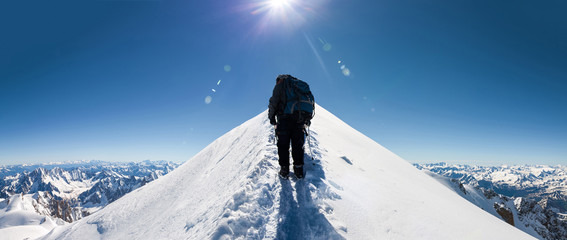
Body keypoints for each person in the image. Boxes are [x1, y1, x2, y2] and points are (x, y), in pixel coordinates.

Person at [268, 74, 308, 179]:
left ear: (279, 80)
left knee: (283, 146)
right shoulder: (297, 86)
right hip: (299, 120)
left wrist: (271, 117)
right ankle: (298, 170)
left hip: (284, 120)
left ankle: (284, 170)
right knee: (297, 145)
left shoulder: (280, 86)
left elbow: (273, 102)